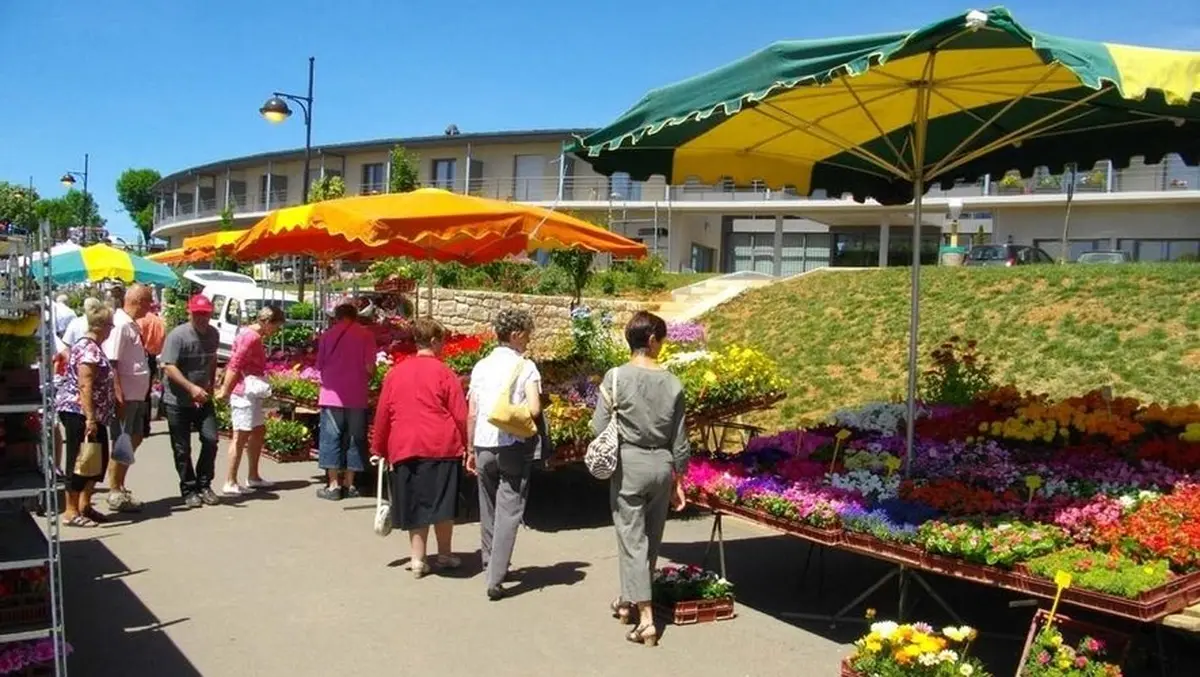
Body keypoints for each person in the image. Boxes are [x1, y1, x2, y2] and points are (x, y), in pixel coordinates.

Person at [591, 311, 690, 647]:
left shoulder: (615, 377)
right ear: (651, 340)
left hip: (628, 464)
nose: (662, 345)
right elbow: (680, 440)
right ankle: (627, 602)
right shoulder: (673, 382)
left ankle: (645, 619)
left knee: (631, 539)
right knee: (650, 539)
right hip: (662, 464)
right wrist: (679, 479)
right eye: (661, 339)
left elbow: (597, 426)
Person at [371, 318, 468, 579]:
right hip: (441, 445)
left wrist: (378, 447)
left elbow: (383, 414)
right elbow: (459, 414)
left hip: (405, 445)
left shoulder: (395, 373)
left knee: (415, 503)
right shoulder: (445, 373)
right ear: (434, 341)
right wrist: (467, 444)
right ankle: (445, 554)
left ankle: (417, 558)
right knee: (442, 503)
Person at [467, 308, 542, 600]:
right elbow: (534, 409)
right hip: (513, 445)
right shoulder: (527, 367)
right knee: (510, 509)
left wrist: (470, 446)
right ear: (516, 335)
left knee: (487, 506)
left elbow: (472, 411)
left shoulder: (481, 366)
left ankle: (489, 560)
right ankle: (496, 577)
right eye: (527, 334)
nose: (528, 340)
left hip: (483, 444)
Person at [55, 303, 117, 527]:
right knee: (80, 460)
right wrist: (90, 418)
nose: (111, 329)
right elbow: (85, 385)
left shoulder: (94, 347)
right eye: (110, 325)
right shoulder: (88, 350)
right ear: (101, 326)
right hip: (79, 412)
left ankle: (85, 505)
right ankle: (71, 511)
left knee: (96, 461)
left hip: (95, 414)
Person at [215, 305, 285, 495]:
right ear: (267, 322)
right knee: (240, 435)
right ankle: (230, 480)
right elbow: (235, 364)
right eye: (276, 326)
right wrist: (225, 390)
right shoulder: (251, 337)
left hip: (250, 391)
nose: (276, 331)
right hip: (243, 391)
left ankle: (253, 476)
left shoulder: (252, 335)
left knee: (258, 430)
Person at [161, 294, 221, 508]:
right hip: (178, 400)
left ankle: (205, 484)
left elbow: (212, 358)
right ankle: (188, 487)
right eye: (198, 314)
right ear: (190, 312)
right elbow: (168, 366)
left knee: (211, 439)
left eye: (205, 314)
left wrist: (211, 383)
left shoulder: (213, 334)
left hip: (203, 398)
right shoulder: (178, 336)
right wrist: (191, 387)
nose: (202, 318)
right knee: (182, 447)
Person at [315, 302, 376, 501]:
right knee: (355, 439)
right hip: (357, 394)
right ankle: (350, 484)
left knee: (330, 437)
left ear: (337, 317)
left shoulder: (327, 336)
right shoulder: (366, 336)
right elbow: (369, 368)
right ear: (355, 316)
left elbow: (319, 365)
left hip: (331, 395)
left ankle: (333, 485)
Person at [102, 283, 154, 513]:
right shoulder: (121, 325)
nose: (150, 306)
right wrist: (118, 394)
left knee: (135, 437)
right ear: (137, 301)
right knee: (122, 441)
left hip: (136, 395)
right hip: (127, 396)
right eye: (148, 301)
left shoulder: (131, 324)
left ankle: (120, 485)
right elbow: (112, 362)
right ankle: (114, 490)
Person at [136, 304, 166, 438]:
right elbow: (162, 341)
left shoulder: (140, 320)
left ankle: (138, 425)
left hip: (140, 356)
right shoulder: (158, 322)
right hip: (152, 358)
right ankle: (146, 426)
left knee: (138, 394)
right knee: (147, 392)